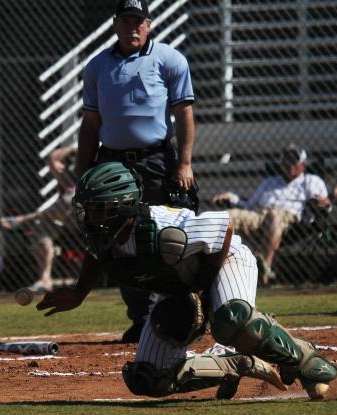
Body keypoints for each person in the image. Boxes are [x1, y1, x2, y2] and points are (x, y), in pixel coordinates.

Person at [37, 162, 337, 400]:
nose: (88, 218)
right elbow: (95, 254)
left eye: (96, 209)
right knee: (148, 378)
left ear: (122, 205)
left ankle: (304, 360)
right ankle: (231, 363)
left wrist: (204, 289)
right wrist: (78, 293)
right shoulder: (108, 236)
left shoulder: (161, 229)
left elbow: (225, 227)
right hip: (182, 284)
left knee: (230, 319)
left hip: (224, 260)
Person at [75, 0, 198, 342]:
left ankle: (177, 312)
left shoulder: (170, 60)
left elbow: (185, 114)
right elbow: (90, 124)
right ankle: (141, 318)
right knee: (119, 240)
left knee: (161, 236)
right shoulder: (97, 66)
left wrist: (185, 162)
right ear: (115, 23)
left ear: (149, 24)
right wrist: (82, 172)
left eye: (138, 21)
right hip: (112, 163)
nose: (132, 27)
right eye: (126, 20)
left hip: (156, 160)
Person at [212, 144, 331, 284]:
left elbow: (324, 205)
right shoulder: (270, 182)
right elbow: (249, 206)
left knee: (273, 214)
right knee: (226, 216)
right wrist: (232, 198)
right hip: (258, 215)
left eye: (293, 159)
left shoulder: (311, 181)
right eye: (285, 159)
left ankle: (265, 268)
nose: (288, 163)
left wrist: (324, 204)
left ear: (303, 164)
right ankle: (215, 267)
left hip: (289, 220)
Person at [0, 146, 78, 292]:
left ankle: (23, 220)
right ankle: (45, 279)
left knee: (72, 199)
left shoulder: (97, 173)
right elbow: (53, 157)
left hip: (91, 217)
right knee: (40, 226)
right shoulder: (68, 178)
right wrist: (75, 149)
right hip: (65, 218)